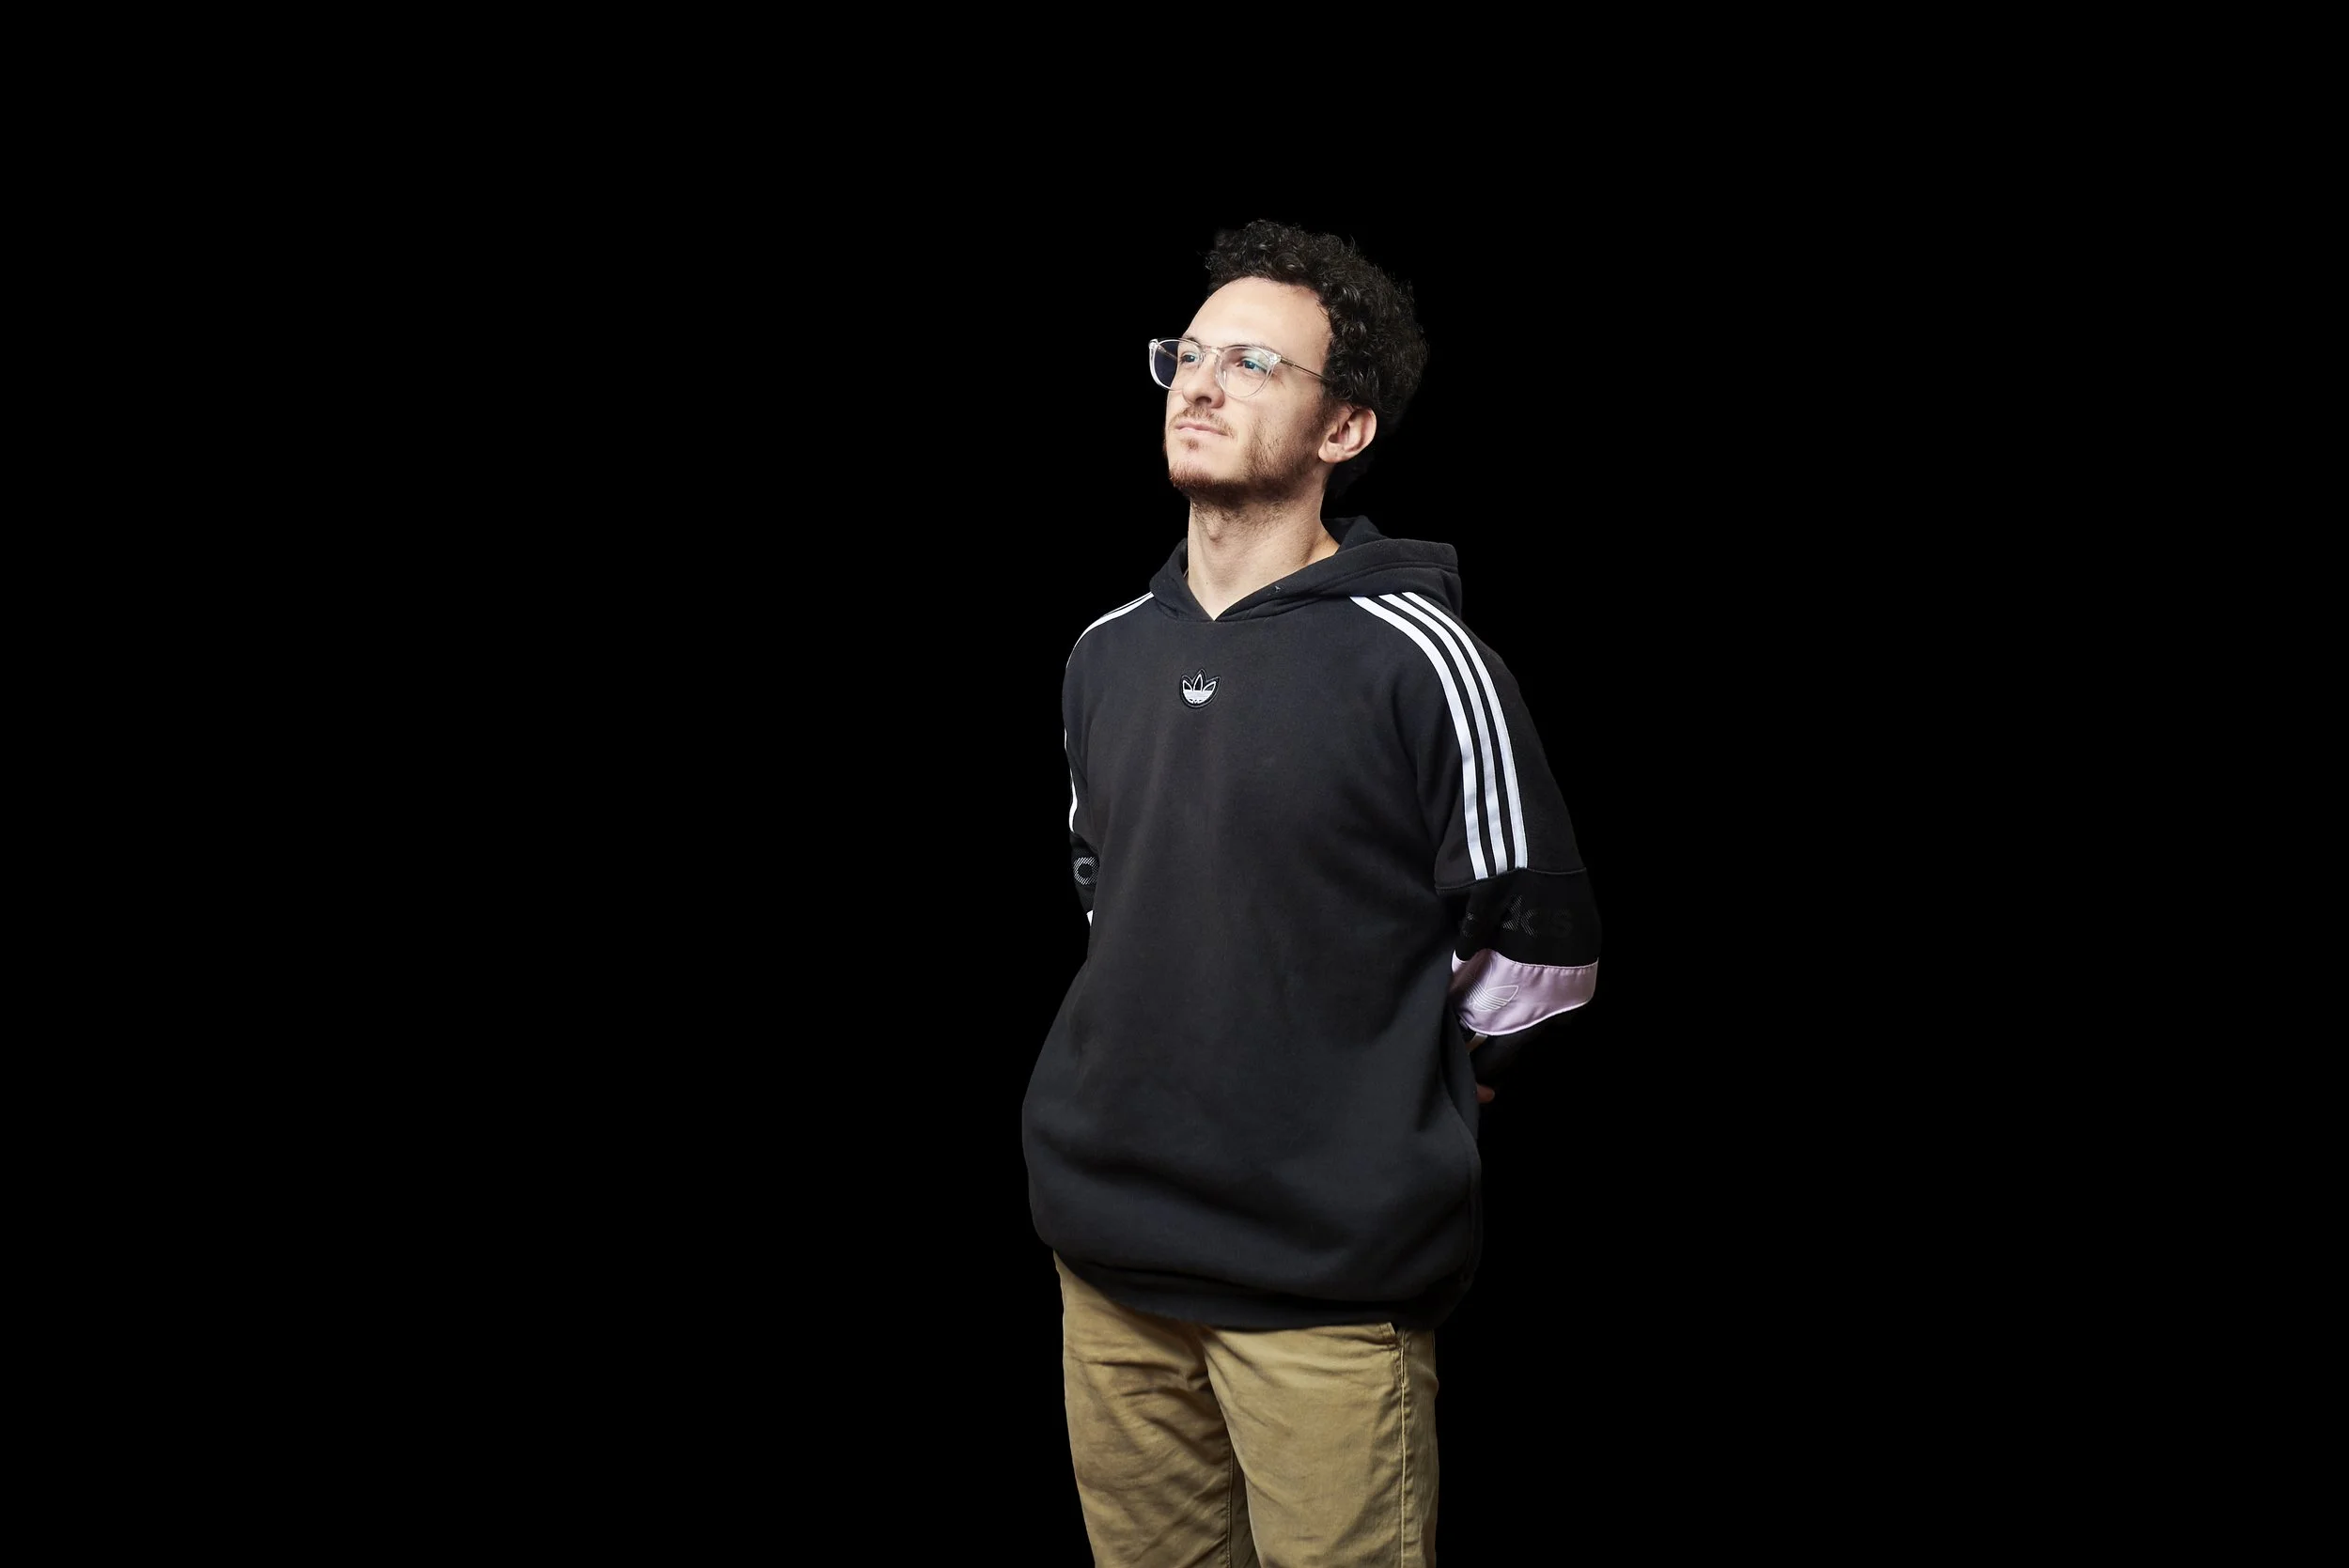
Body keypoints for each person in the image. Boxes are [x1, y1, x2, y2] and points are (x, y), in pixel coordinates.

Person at [1020, 218, 1602, 1566]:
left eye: (1252, 364)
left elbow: (1541, 941)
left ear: (1344, 428)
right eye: (1186, 355)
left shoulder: (1421, 654)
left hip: (1325, 1287)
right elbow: (1108, 888)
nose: (1200, 385)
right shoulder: (1105, 654)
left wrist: (1407, 1088)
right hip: (1108, 1261)